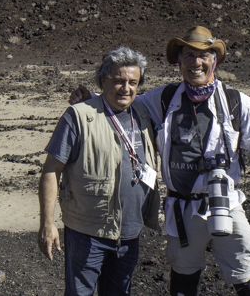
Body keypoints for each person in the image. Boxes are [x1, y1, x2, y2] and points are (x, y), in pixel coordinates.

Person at [69, 26, 250, 296]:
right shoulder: (164, 98)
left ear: (214, 61)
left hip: (226, 204)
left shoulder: (235, 102)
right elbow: (125, 102)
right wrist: (90, 100)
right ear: (179, 61)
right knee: (184, 276)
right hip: (182, 211)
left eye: (203, 56)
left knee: (246, 272)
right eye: (188, 55)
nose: (196, 62)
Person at [38, 45, 161, 296]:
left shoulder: (143, 114)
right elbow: (51, 169)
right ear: (102, 80)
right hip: (88, 233)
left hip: (130, 233)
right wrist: (47, 223)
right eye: (118, 81)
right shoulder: (79, 116)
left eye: (133, 82)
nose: (125, 88)